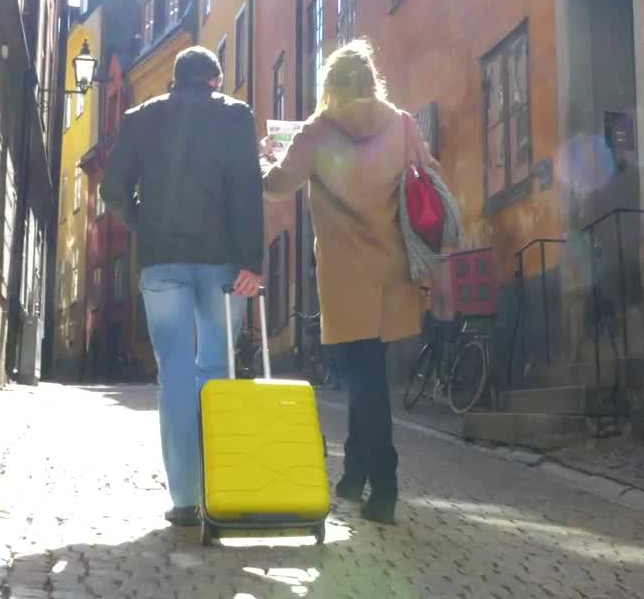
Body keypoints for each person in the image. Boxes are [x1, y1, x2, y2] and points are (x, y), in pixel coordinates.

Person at [260, 39, 437, 525]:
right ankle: (356, 473)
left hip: (344, 276)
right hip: (392, 271)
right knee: (369, 374)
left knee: (363, 380)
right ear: (371, 80)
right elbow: (431, 177)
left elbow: (277, 186)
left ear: (331, 86)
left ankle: (384, 483)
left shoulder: (319, 132)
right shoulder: (402, 125)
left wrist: (263, 159)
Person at [100, 46, 264, 527]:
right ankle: (218, 489)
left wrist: (141, 220)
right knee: (215, 366)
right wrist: (252, 262)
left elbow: (112, 188)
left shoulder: (140, 117)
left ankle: (185, 500)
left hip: (162, 260)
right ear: (215, 79)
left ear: (174, 81)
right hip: (224, 265)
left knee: (172, 372)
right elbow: (248, 189)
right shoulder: (236, 116)